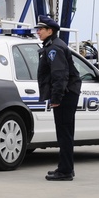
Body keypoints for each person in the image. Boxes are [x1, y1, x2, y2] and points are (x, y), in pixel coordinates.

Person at [35, 15, 82, 181]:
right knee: (65, 132)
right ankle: (66, 167)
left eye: (41, 29)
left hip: (65, 95)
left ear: (50, 31)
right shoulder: (52, 45)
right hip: (67, 93)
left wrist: (56, 98)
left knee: (64, 132)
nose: (38, 31)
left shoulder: (55, 48)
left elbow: (59, 76)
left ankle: (65, 171)